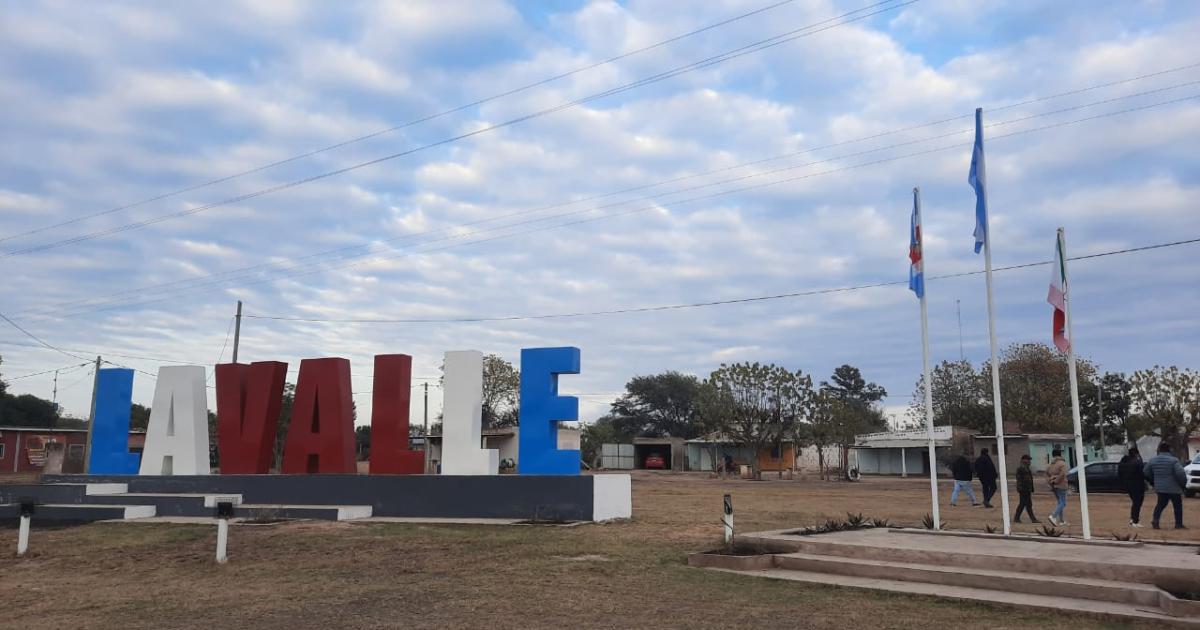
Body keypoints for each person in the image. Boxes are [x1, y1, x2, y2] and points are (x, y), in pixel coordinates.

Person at [1144, 442, 1188, 530]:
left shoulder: (1153, 460)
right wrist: (1183, 483)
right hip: (1174, 488)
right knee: (1177, 506)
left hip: (1160, 488)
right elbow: (1180, 473)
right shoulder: (1173, 460)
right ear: (1169, 449)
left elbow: (1145, 472)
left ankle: (1155, 520)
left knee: (1160, 505)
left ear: (1159, 450)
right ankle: (1178, 524)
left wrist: (1153, 481)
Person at [1118, 446, 1146, 527]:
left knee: (1135, 502)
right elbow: (1142, 472)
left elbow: (1119, 474)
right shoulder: (1137, 462)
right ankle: (1134, 520)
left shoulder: (1123, 462)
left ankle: (1133, 519)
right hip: (1138, 484)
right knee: (1137, 502)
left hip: (1128, 485)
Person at [1046, 447, 1070, 526]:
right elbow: (1063, 473)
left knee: (1060, 502)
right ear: (1060, 454)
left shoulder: (1051, 464)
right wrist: (1057, 480)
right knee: (1063, 503)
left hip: (1053, 485)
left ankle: (1062, 520)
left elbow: (1047, 473)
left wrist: (1051, 481)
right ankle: (1053, 516)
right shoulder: (1062, 463)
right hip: (1061, 484)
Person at [1014, 454, 1039, 523]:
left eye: (1029, 460)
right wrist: (1026, 488)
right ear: (1023, 460)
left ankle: (1032, 519)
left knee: (1028, 504)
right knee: (1023, 504)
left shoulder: (1026, 467)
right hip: (1023, 489)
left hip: (1026, 489)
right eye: (1028, 460)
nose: (1029, 461)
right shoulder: (1022, 468)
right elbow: (1024, 479)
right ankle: (1017, 518)